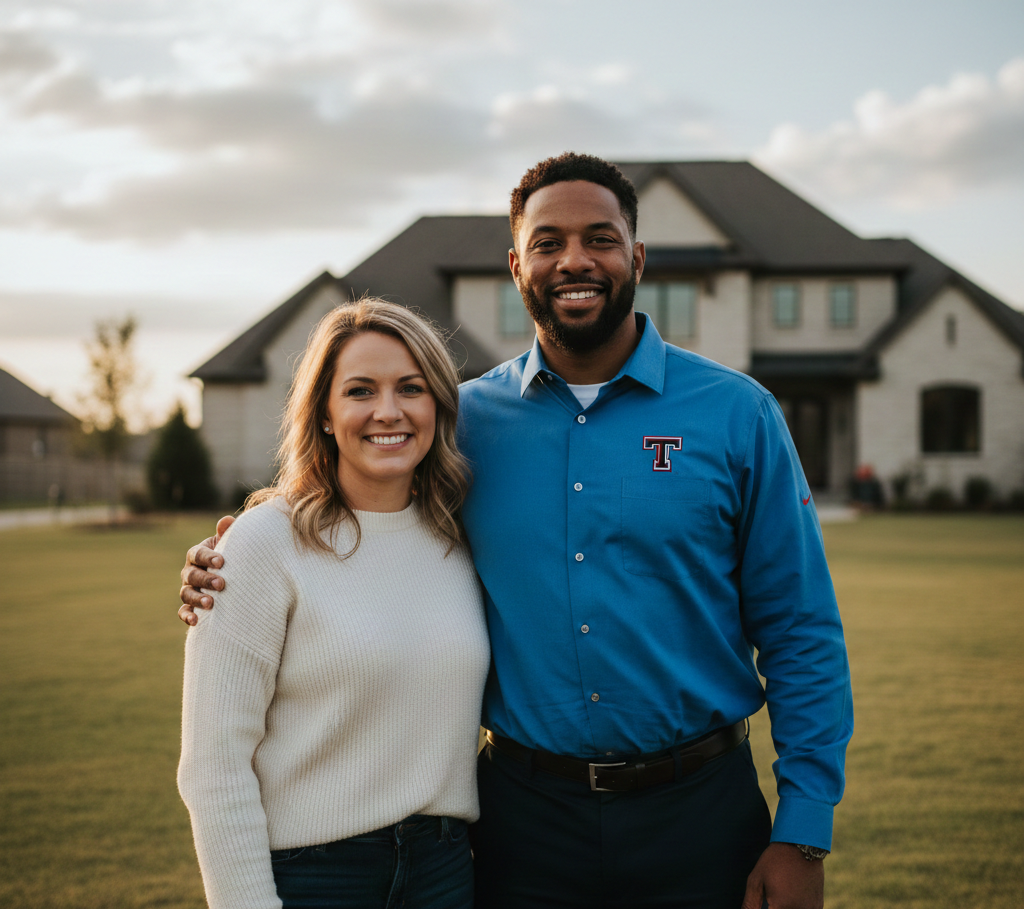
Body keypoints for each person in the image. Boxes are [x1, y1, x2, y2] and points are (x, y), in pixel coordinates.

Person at [180, 154, 853, 909]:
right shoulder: (459, 422)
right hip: (525, 826)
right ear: (516, 264)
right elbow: (356, 489)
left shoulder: (739, 414)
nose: (574, 260)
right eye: (548, 242)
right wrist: (242, 541)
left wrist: (802, 832)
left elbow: (801, 630)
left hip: (700, 811)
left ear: (636, 256)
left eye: (600, 238)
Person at [177, 298, 490, 909]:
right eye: (360, 391)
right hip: (317, 878)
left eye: (411, 388)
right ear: (322, 412)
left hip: (445, 870)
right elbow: (214, 767)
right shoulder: (264, 544)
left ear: (438, 407)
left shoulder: (462, 537)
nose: (388, 412)